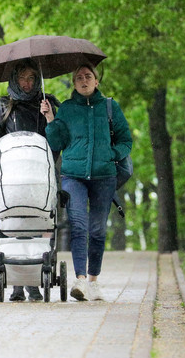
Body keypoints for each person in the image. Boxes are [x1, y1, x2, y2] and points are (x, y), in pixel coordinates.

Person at [42, 64, 132, 301]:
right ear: (74, 83)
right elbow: (56, 143)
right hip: (73, 176)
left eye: (88, 76)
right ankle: (80, 280)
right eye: (79, 77)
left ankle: (93, 281)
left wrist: (111, 155)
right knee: (79, 226)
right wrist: (51, 119)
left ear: (96, 81)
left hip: (104, 177)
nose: (84, 80)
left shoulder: (111, 107)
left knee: (98, 230)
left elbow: (126, 140)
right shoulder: (68, 109)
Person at [0, 59, 60, 302]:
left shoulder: (46, 104)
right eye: (23, 78)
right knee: (13, 226)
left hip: (37, 174)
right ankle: (16, 283)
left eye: (32, 79)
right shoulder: (5, 106)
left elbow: (56, 142)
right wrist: (11, 152)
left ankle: (33, 282)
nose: (27, 84)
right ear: (15, 79)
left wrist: (49, 117)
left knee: (34, 226)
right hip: (13, 174)